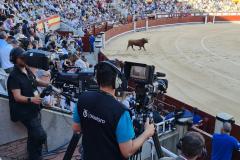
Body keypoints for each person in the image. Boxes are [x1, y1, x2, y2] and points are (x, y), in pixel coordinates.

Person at [72, 61, 155, 160]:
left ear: (97, 78)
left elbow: (76, 128)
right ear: (117, 81)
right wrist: (147, 133)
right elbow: (127, 151)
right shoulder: (121, 112)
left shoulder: (83, 98)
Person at [7, 47, 49, 160]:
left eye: (25, 57)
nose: (24, 59)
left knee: (33, 135)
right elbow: (17, 97)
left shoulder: (27, 69)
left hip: (34, 108)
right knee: (40, 135)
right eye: (21, 58)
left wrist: (47, 85)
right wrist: (32, 99)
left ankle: (34, 156)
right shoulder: (13, 76)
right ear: (14, 59)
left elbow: (35, 81)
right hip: (24, 112)